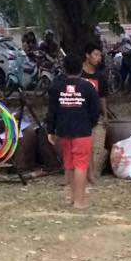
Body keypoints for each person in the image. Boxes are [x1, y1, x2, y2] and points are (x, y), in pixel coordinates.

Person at [47, 53, 100, 209]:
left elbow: (52, 111)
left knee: (69, 164)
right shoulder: (88, 86)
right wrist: (90, 124)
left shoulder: (57, 86)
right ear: (81, 67)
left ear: (64, 68)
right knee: (81, 165)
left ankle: (72, 198)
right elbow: (95, 110)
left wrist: (51, 130)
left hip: (64, 131)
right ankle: (79, 202)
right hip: (82, 131)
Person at [81, 42, 110, 183]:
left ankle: (92, 174)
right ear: (87, 55)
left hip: (95, 116)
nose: (98, 58)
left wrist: (104, 115)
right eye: (96, 54)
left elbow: (102, 97)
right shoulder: (78, 73)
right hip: (79, 116)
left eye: (100, 55)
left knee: (95, 147)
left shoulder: (100, 76)